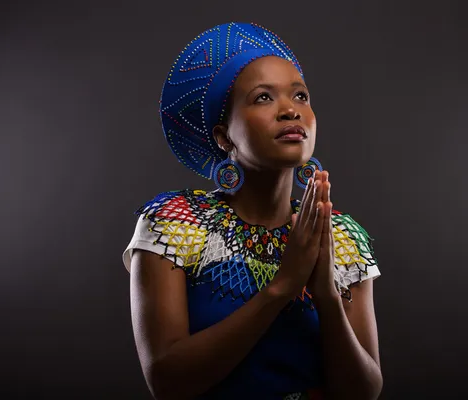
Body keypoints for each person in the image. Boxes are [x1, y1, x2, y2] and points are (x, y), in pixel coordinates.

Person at [122, 22, 383, 400]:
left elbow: (364, 393)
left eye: (301, 96)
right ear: (224, 136)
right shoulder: (174, 224)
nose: (290, 111)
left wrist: (325, 293)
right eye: (264, 98)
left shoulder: (340, 238)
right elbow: (167, 382)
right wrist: (281, 287)